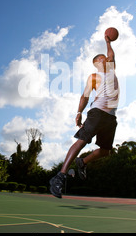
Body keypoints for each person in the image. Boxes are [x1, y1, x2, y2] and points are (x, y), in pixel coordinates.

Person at [49, 33, 119, 198]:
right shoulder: (94, 77)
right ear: (96, 63)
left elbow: (111, 55)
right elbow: (85, 96)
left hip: (110, 117)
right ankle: (60, 177)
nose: (106, 59)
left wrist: (108, 43)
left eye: (105, 58)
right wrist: (79, 112)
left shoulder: (110, 69)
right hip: (97, 112)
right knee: (82, 141)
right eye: (101, 58)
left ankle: (82, 162)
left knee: (105, 151)